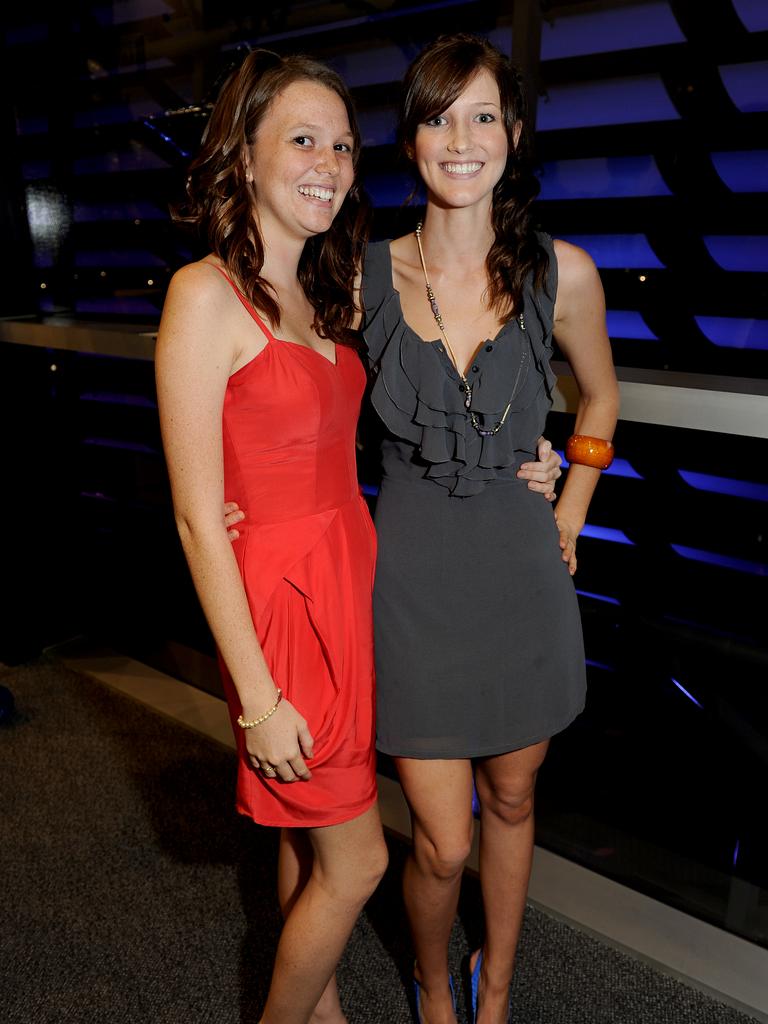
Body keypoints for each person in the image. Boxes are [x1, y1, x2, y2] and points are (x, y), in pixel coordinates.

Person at [357, 33, 620, 1024]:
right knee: (443, 838)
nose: (460, 139)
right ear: (410, 139)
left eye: (482, 116)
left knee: (513, 798)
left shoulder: (568, 274)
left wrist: (575, 506)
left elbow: (598, 403)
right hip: (413, 585)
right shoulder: (362, 279)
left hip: (522, 573)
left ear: (513, 133)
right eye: (437, 117)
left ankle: (495, 986)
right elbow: (294, 402)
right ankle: (433, 982)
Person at [154, 50, 390, 1024]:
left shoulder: (323, 297)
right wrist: (255, 698)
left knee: (310, 838)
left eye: (341, 144)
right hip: (284, 612)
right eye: (302, 138)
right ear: (242, 158)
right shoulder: (205, 293)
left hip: (344, 583)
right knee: (363, 855)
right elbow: (196, 515)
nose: (329, 161)